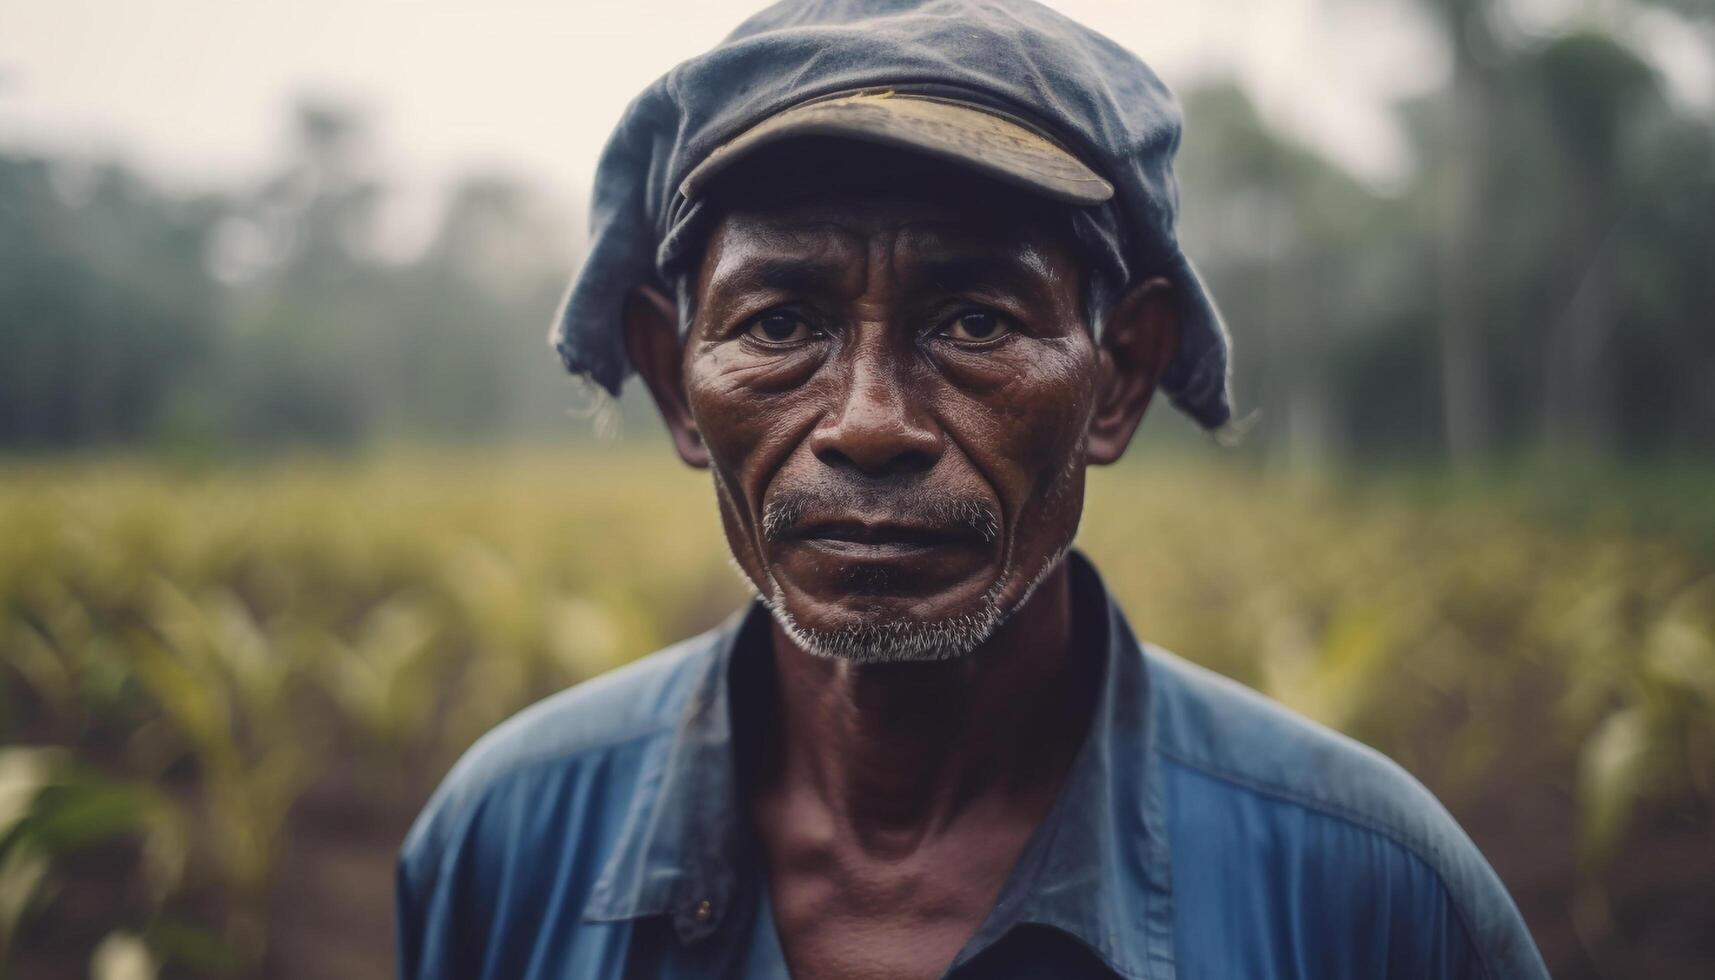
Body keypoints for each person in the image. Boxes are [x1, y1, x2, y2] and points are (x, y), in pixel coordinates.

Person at [395, 1, 1550, 977]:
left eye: (975, 320)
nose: (868, 423)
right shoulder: (502, 842)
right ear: (673, 387)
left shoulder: (1371, 890)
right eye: (779, 322)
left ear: (1119, 379)